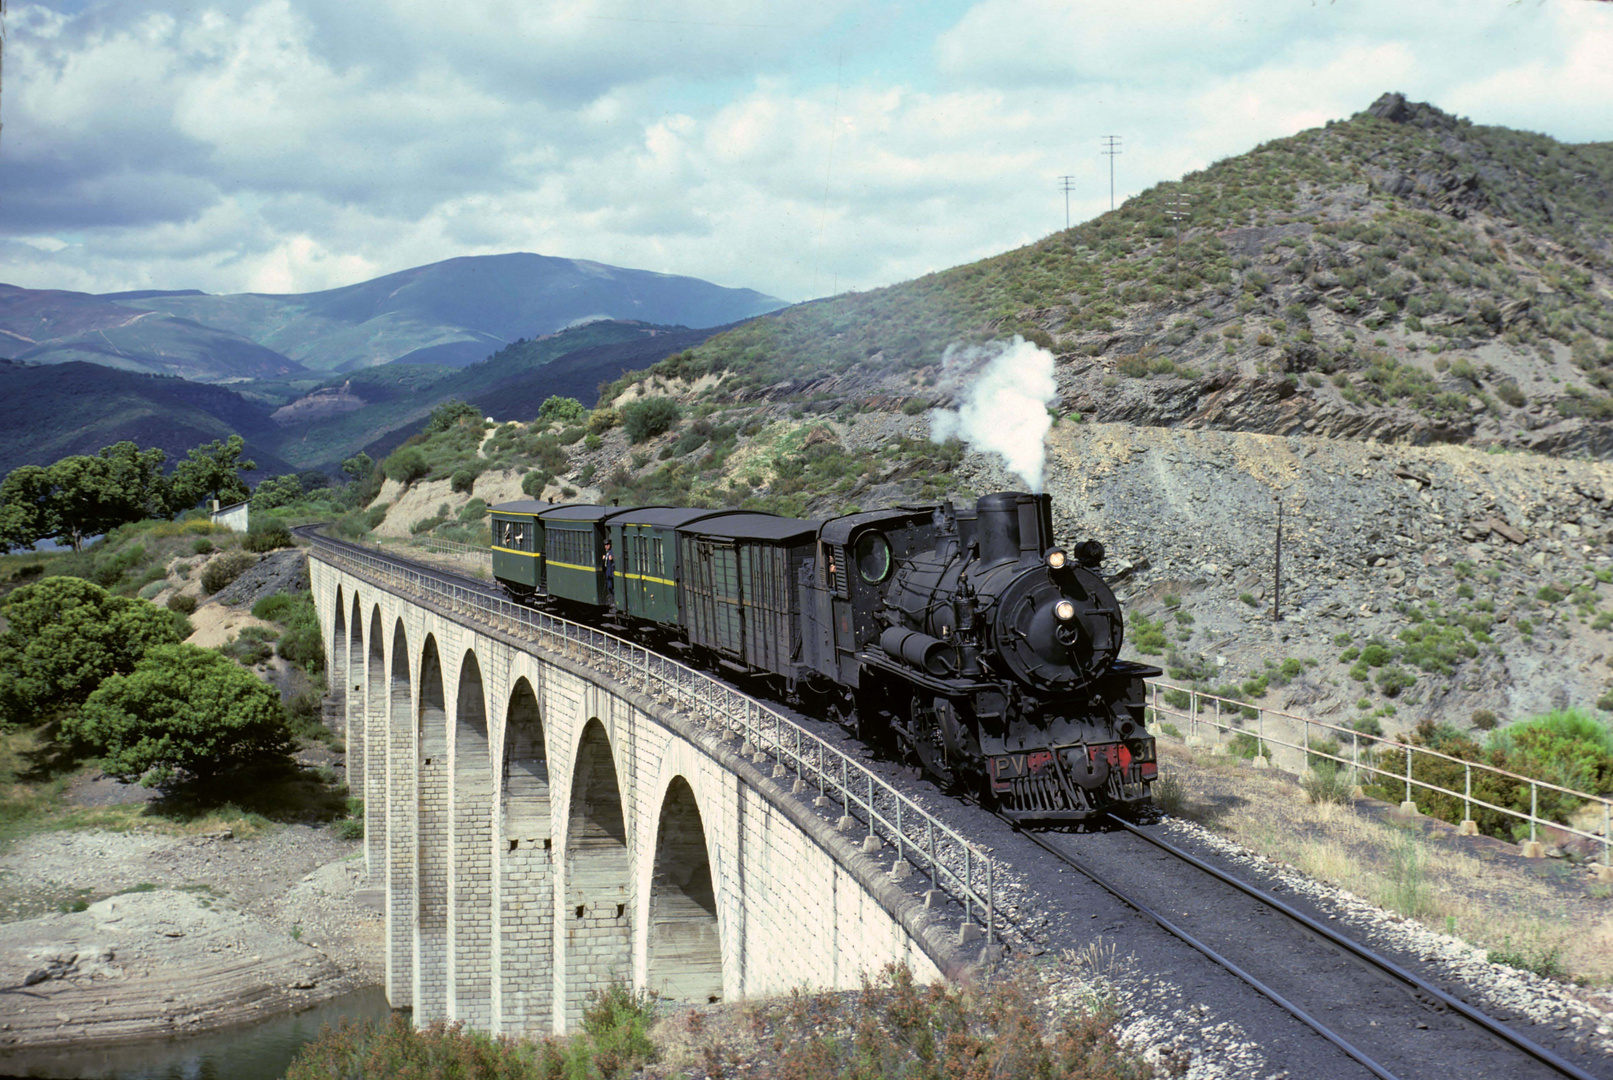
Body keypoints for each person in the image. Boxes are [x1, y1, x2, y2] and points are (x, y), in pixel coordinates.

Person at [602, 538, 615, 602]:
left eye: (608, 545)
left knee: (610, 587)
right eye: (605, 545)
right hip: (608, 573)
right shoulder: (607, 553)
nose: (606, 546)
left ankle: (613, 600)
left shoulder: (611, 552)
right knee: (609, 587)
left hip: (611, 573)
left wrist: (611, 559)